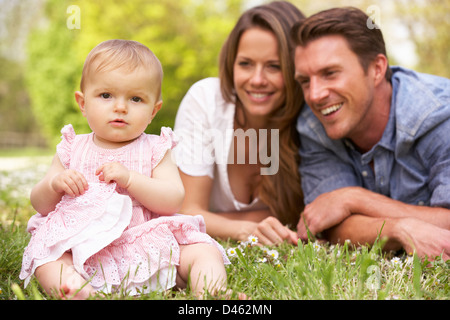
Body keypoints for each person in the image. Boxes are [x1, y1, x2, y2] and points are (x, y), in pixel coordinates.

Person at [19, 39, 231, 299]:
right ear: (83, 103)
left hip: (143, 245)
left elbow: (172, 200)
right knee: (48, 259)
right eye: (106, 95)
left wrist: (131, 179)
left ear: (154, 111)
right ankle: (77, 291)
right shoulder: (72, 147)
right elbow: (40, 204)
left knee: (202, 251)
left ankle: (212, 294)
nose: (121, 107)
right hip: (80, 247)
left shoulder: (156, 149)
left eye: (136, 98)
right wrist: (54, 184)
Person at [292, 7, 450, 260]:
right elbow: (329, 225)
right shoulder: (313, 126)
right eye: (305, 81)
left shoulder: (440, 116)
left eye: (330, 73)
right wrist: (399, 229)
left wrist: (353, 199)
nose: (315, 95)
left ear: (376, 69)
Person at [174, 1, 305, 246]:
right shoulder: (206, 101)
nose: (257, 80)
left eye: (274, 67)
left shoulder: (307, 119)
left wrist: (214, 221)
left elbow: (303, 216)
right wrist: (245, 228)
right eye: (245, 64)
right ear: (231, 64)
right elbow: (185, 212)